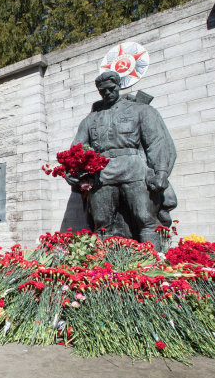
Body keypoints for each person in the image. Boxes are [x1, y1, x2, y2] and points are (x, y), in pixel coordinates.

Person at [71, 70, 177, 248]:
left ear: (118, 86)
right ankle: (102, 267)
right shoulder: (90, 120)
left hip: (133, 169)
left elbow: (157, 142)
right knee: (101, 223)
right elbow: (76, 150)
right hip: (102, 174)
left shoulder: (141, 110)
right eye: (102, 91)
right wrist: (74, 172)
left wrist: (161, 172)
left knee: (146, 218)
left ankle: (151, 264)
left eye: (111, 89)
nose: (107, 93)